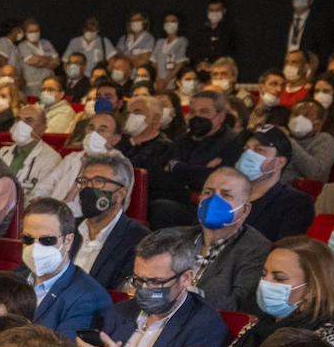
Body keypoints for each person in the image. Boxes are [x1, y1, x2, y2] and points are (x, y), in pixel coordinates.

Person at [85, 227, 228, 347]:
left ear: (186, 278)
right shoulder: (118, 313)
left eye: (156, 282)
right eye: (139, 280)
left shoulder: (204, 327)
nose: (144, 289)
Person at [16, 197, 110, 341]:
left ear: (68, 241)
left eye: (47, 240)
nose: (35, 248)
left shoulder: (87, 297)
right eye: (28, 240)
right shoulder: (13, 280)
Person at [148, 90, 243, 225]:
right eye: (192, 112)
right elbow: (157, 175)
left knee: (161, 208)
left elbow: (213, 180)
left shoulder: (232, 143)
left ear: (220, 116)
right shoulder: (182, 140)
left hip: (209, 210)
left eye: (204, 112)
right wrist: (198, 171)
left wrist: (176, 167)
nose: (197, 117)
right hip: (180, 200)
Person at [191, 166, 271, 313]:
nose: (214, 200)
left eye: (226, 195)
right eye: (208, 192)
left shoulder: (257, 250)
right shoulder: (172, 237)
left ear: (245, 210)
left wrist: (183, 295)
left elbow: (237, 305)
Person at [71, 151, 151, 290]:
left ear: (121, 193)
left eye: (98, 181)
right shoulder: (64, 228)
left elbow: (121, 297)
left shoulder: (139, 241)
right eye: (84, 181)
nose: (88, 188)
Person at [238, 124, 315, 241]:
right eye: (245, 149)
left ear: (280, 162)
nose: (248, 155)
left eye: (259, 150)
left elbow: (284, 250)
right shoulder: (227, 193)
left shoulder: (295, 203)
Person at [0, 104, 61, 200]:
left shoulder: (51, 158)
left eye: (28, 120)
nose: (20, 124)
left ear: (42, 128)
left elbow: (39, 197)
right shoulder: (2, 152)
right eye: (18, 119)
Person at [117, 93, 173, 178]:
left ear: (155, 118)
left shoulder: (165, 148)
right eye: (129, 113)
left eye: (137, 112)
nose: (131, 117)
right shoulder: (120, 143)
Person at [286, 99, 334, 183]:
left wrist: (289, 142)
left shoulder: (325, 139)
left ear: (319, 124)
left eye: (306, 116)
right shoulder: (283, 137)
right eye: (295, 114)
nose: (299, 119)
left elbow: (316, 173)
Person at [283, 0, 332, 66]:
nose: (299, 0)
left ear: (311, 1)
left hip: (308, 70)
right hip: (285, 67)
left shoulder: (320, 24)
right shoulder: (284, 22)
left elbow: (325, 51)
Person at [14, 20, 58, 96]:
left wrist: (39, 59)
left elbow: (57, 62)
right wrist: (49, 58)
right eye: (31, 31)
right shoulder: (22, 46)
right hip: (31, 88)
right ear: (25, 33)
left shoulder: (46, 43)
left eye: (36, 31)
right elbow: (34, 61)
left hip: (49, 85)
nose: (34, 33)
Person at [192, 0, 237, 70]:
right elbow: (193, 53)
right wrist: (199, 64)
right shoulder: (200, 33)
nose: (214, 13)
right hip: (200, 73)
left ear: (224, 11)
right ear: (207, 12)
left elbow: (230, 55)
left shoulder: (230, 32)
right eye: (211, 10)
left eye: (217, 10)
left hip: (220, 73)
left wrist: (213, 66)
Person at [0, 19, 24, 85]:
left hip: (13, 84)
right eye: (19, 30)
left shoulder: (15, 46)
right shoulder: (3, 41)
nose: (22, 32)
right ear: (13, 30)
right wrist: (9, 75)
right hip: (3, 83)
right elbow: (2, 62)